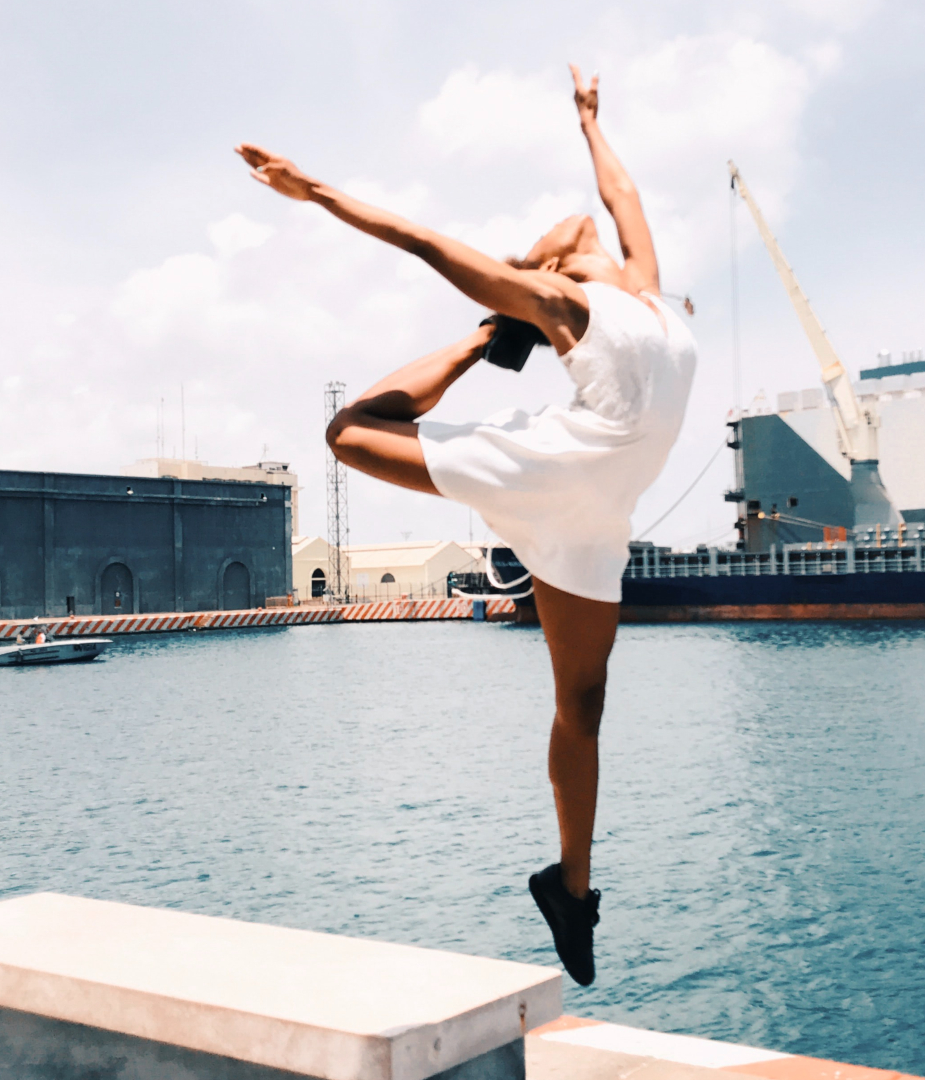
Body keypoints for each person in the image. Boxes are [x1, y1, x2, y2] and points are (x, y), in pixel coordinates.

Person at [236, 64, 696, 985]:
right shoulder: (569, 304)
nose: (568, 229)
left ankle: (572, 890)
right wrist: (311, 188)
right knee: (348, 435)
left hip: (600, 507)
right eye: (551, 244)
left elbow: (621, 193)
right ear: (553, 277)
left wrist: (589, 120)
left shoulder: (648, 289)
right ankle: (477, 349)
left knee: (584, 703)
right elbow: (422, 241)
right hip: (556, 464)